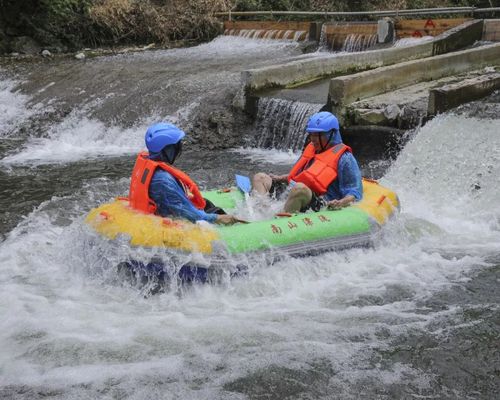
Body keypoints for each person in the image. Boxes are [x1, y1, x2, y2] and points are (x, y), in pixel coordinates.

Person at [128, 122, 239, 225]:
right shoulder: (162, 180)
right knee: (217, 213)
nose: (179, 149)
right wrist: (219, 218)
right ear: (166, 149)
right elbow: (193, 216)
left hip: (161, 208)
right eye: (176, 146)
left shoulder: (150, 163)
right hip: (169, 220)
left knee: (207, 203)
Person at [252, 111, 362, 213]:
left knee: (299, 188)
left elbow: (354, 192)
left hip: (320, 200)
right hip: (294, 191)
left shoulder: (345, 158)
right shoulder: (312, 149)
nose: (313, 139)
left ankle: (279, 221)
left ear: (331, 134)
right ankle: (261, 211)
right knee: (260, 177)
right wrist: (281, 177)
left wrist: (341, 202)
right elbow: (301, 174)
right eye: (312, 134)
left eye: (318, 135)